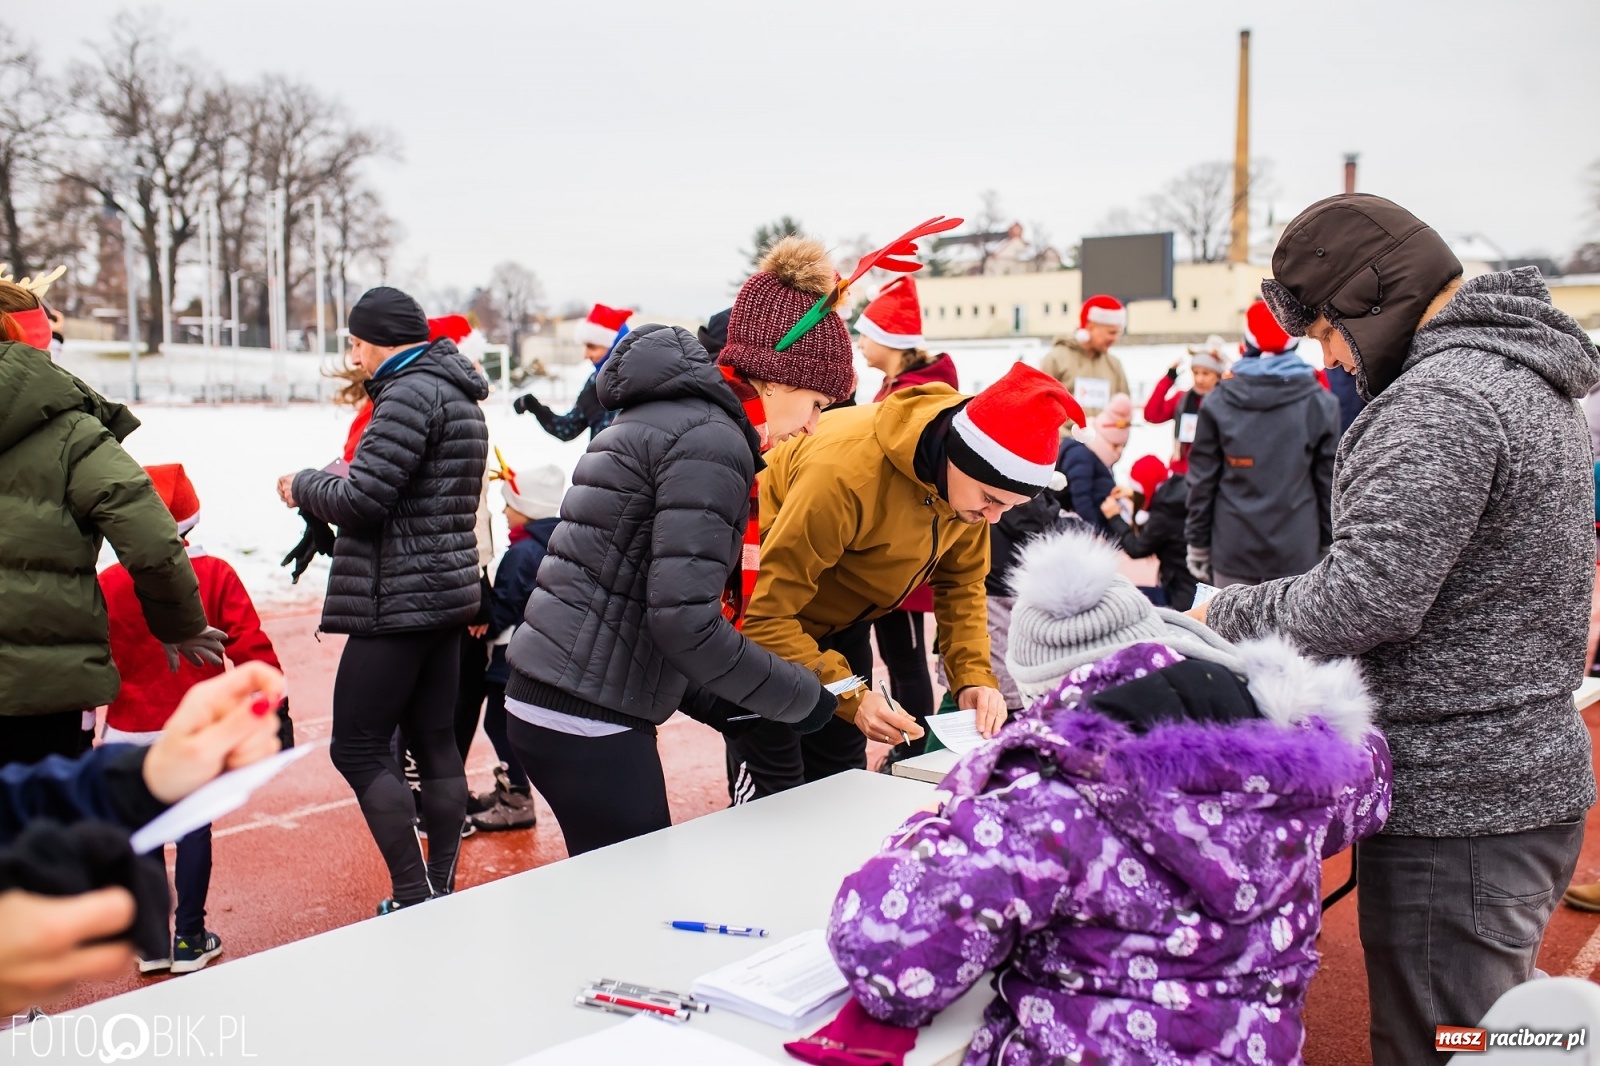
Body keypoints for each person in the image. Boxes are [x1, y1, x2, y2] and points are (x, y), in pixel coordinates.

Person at [1194, 193, 1600, 1065]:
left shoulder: (1442, 399)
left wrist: (1223, 611)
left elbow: (1366, 598)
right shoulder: (1519, 373)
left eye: (1327, 334)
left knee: (1447, 1042)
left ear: (1368, 299)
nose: (1331, 361)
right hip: (1514, 777)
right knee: (1493, 1035)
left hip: (1459, 805)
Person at [826, 526, 1391, 1065]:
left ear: (1046, 684)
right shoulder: (1295, 768)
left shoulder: (1048, 801)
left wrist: (929, 823)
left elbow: (884, 960)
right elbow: (1373, 779)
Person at [501, 238, 846, 856]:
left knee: (614, 898)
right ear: (777, 376)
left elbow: (629, 595)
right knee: (636, 908)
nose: (813, 426)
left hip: (562, 694)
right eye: (817, 403)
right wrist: (803, 698)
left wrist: (731, 704)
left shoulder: (676, 415)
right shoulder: (712, 441)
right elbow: (683, 622)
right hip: (586, 714)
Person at [730, 361, 1084, 796]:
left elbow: (963, 586)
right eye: (991, 500)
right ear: (957, 458)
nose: (992, 518)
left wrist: (973, 677)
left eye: (1007, 508)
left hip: (843, 623)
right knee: (775, 787)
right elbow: (766, 616)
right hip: (764, 628)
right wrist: (852, 697)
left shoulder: (968, 489)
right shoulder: (844, 475)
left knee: (842, 776)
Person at [278, 285, 488, 913]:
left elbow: (363, 499)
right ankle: (440, 884)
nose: (352, 355)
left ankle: (412, 891)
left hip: (395, 599)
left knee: (359, 746)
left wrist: (302, 486)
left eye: (354, 342)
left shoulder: (407, 394)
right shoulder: (459, 395)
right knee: (435, 741)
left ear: (375, 340)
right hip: (445, 595)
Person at [0, 282, 225, 766]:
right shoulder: (74, 431)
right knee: (34, 828)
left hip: (37, 682)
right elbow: (151, 537)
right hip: (37, 689)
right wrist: (179, 623)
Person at [0, 662, 286, 1014]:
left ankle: (157, 948)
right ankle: (189, 934)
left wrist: (145, 776)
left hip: (128, 720)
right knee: (192, 830)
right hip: (159, 706)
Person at [99, 464, 290, 974]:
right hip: (195, 728)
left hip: (127, 728)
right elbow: (251, 647)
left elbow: (92, 660)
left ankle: (151, 943)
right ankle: (189, 937)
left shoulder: (109, 582)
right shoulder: (216, 575)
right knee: (193, 830)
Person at [856, 276, 961, 756]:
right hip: (893, 540)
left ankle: (913, 742)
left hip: (905, 543)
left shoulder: (917, 393)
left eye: (865, 333)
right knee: (900, 651)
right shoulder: (898, 385)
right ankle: (910, 737)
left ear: (888, 340)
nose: (860, 343)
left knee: (906, 653)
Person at [1185, 300, 1339, 589]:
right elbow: (1327, 483)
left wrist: (1197, 542)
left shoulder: (1218, 402)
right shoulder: (1320, 403)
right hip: (1297, 549)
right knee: (1293, 634)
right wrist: (1327, 540)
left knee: (1229, 632)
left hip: (1233, 547)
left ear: (1247, 343)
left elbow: (1202, 481)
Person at [470, 458, 565, 833]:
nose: (504, 512)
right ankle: (514, 789)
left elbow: (507, 602)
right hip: (536, 650)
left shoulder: (522, 553)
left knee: (499, 723)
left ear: (526, 510)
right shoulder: (552, 543)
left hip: (511, 653)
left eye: (510, 504)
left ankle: (517, 796)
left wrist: (483, 619)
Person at [982, 475, 1068, 712]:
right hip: (1026, 589)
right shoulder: (1046, 506)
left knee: (980, 679)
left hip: (988, 588)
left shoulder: (991, 494)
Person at [513, 303, 631, 441]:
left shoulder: (642, 384)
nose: (586, 355)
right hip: (599, 462)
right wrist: (534, 406)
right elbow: (567, 429)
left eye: (592, 347)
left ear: (616, 345)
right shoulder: (594, 385)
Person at [1104, 454, 1196, 610]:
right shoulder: (1180, 491)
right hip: (1196, 582)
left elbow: (1137, 549)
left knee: (1123, 600)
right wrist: (1135, 496)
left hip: (1182, 594)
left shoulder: (1164, 514)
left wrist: (1114, 517)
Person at [1144, 337, 1228, 474]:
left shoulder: (1226, 401)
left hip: (1215, 471)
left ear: (1218, 375)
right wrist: (1168, 379)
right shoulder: (1182, 399)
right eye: (1195, 373)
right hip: (1182, 471)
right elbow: (1152, 415)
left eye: (1206, 374)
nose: (1199, 379)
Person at [1039, 294, 1130, 419]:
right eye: (1111, 332)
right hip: (1066, 437)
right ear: (1090, 327)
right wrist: (1064, 435)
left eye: (1118, 333)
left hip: (1104, 437)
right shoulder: (1056, 359)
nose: (1115, 339)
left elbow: (1124, 408)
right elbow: (1041, 406)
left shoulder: (1114, 364)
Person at [1052, 393, 1131, 535]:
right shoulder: (1081, 455)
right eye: (1116, 446)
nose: (1118, 452)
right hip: (1089, 532)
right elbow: (1082, 499)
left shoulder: (1098, 454)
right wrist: (1094, 533)